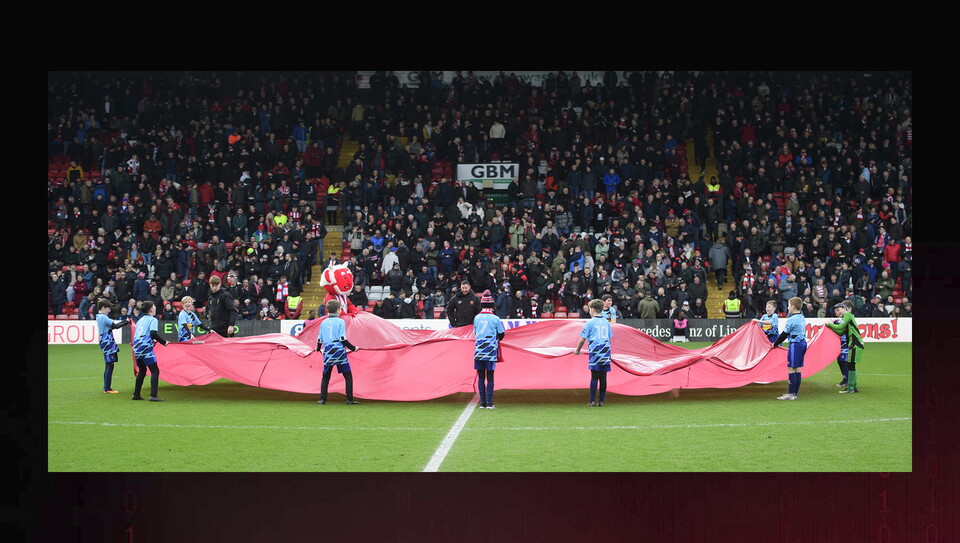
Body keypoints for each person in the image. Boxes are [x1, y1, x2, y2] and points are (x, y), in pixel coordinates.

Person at [316, 299, 360, 405]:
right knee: (347, 375)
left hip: (328, 351)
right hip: (339, 351)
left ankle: (322, 399)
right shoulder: (340, 322)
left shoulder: (323, 322)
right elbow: (342, 338)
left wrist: (317, 348)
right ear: (337, 310)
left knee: (326, 376)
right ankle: (349, 399)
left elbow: (319, 339)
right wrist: (353, 348)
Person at [574, 298, 613, 407]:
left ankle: (592, 401)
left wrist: (577, 350)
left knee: (594, 376)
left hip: (595, 351)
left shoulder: (590, 322)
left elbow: (582, 339)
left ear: (592, 309)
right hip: (605, 350)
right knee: (603, 377)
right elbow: (609, 338)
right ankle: (601, 401)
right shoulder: (606, 322)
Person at [473, 290, 505, 409]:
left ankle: (482, 403)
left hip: (479, 350)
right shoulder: (495, 318)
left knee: (481, 376)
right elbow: (501, 335)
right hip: (490, 351)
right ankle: (490, 403)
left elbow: (475, 332)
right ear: (492, 305)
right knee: (490, 376)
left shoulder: (477, 318)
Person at [131, 301, 168, 401]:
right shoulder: (153, 320)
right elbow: (153, 333)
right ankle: (153, 396)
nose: (155, 308)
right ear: (151, 309)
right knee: (155, 371)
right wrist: (163, 342)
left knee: (142, 371)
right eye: (154, 306)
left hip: (137, 348)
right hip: (145, 348)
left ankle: (136, 394)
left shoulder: (140, 320)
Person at [825, 300, 865, 394]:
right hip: (854, 343)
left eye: (838, 310)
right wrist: (831, 327)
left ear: (844, 308)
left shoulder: (847, 315)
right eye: (835, 312)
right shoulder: (846, 317)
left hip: (855, 343)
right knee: (851, 364)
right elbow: (841, 332)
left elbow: (840, 327)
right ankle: (853, 387)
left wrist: (830, 324)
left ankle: (850, 388)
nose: (837, 313)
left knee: (850, 365)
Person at [772, 296, 806, 400]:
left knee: (791, 368)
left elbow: (784, 334)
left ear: (793, 307)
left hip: (795, 345)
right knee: (797, 368)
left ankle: (791, 393)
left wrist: (775, 344)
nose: (788, 308)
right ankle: (795, 394)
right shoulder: (801, 317)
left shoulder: (792, 319)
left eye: (789, 305)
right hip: (802, 343)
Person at [95, 299, 130, 393]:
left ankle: (107, 387)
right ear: (103, 307)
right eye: (108, 308)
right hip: (107, 342)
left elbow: (114, 325)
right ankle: (107, 388)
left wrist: (124, 321)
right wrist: (126, 322)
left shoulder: (100, 317)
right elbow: (115, 326)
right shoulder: (103, 317)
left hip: (106, 341)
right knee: (110, 365)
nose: (109, 311)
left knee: (109, 365)